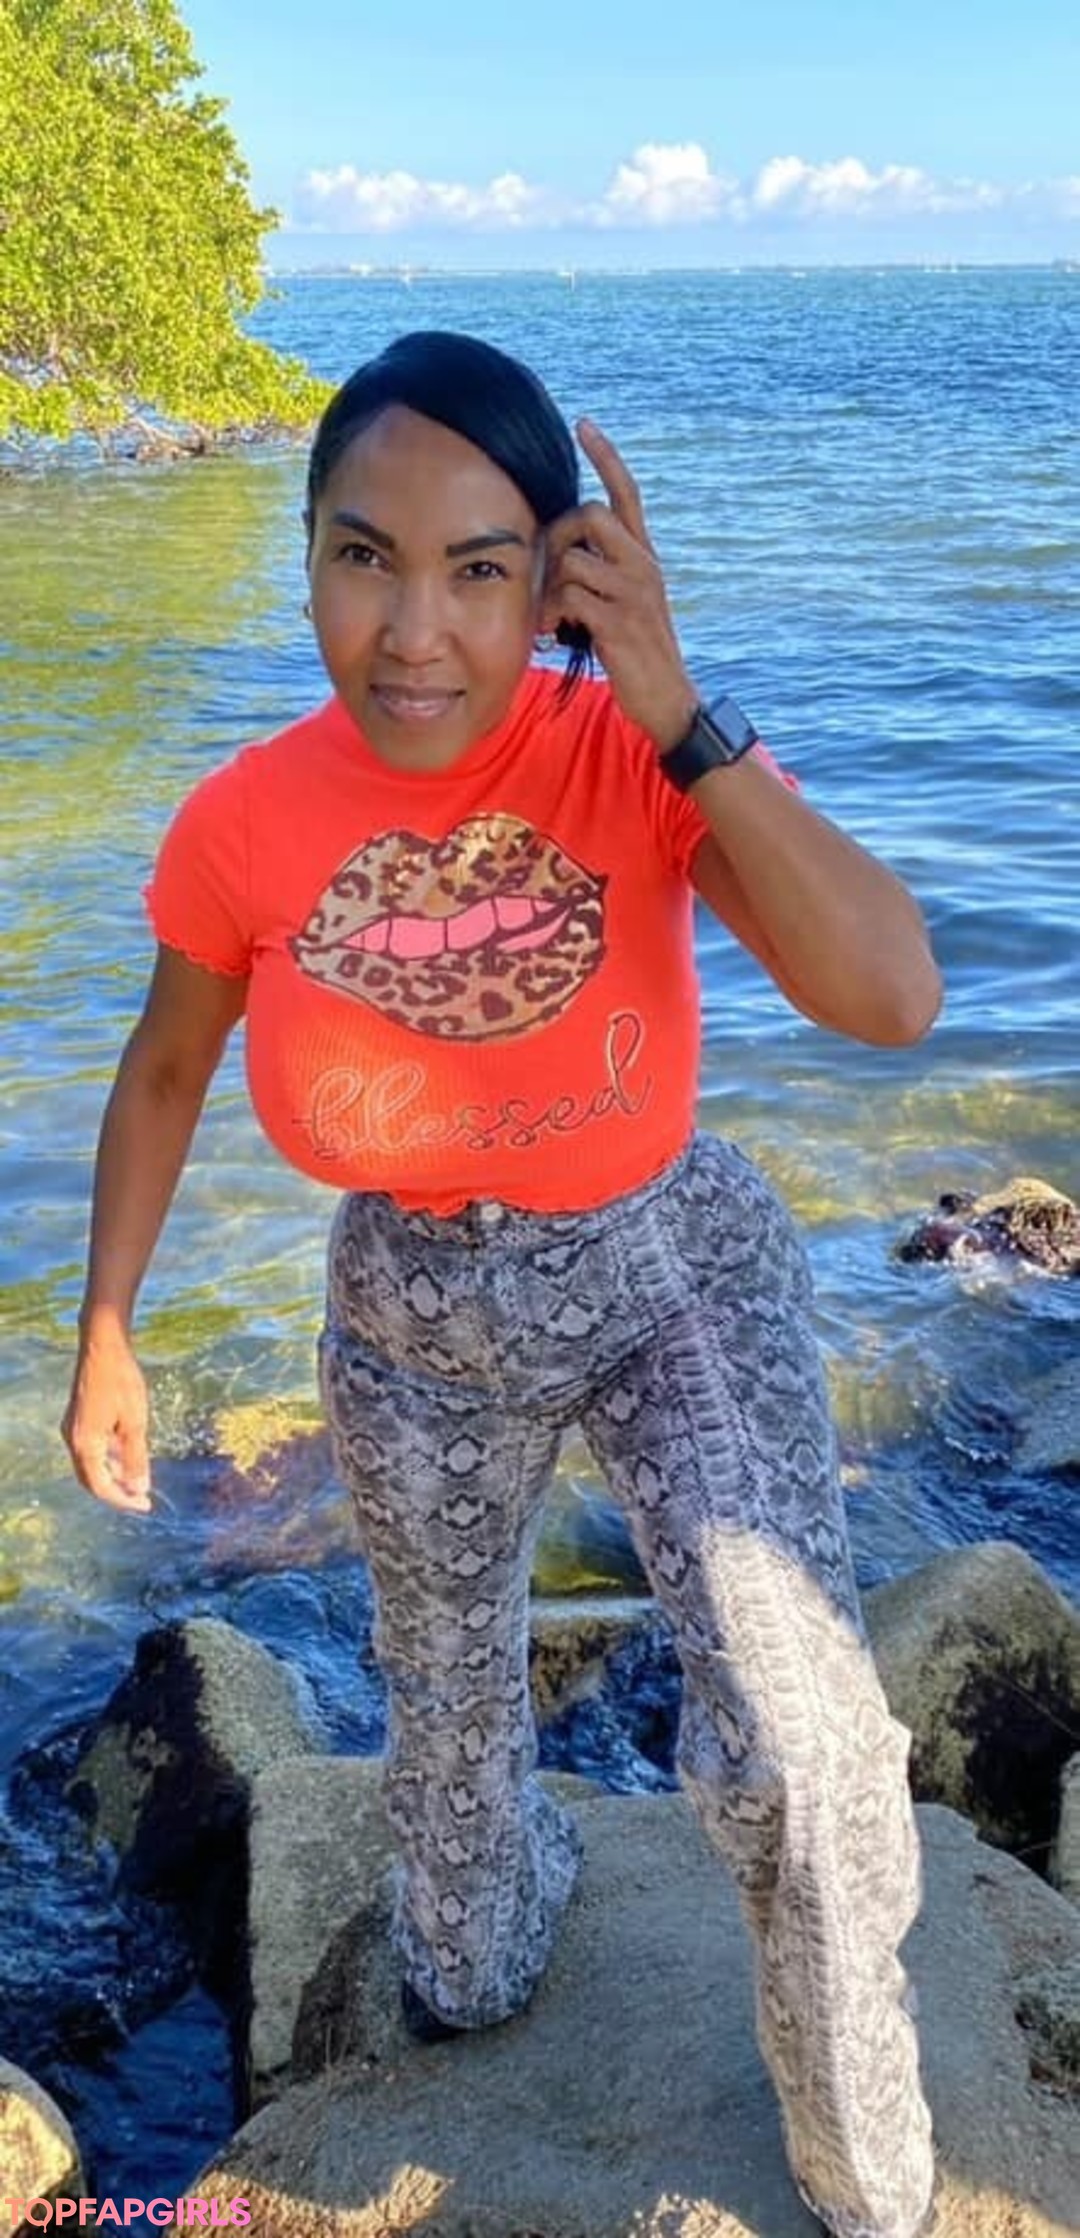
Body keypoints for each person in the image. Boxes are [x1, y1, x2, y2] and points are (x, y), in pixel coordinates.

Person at [62, 330, 941, 2238]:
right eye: (363, 557)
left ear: (557, 582)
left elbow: (892, 993)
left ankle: (865, 2154)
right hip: (413, 1315)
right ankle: (504, 1877)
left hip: (664, 1262)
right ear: (307, 551)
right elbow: (164, 1065)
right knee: (457, 1914)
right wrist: (108, 1328)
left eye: (478, 569)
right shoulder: (243, 823)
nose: (413, 632)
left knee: (797, 1737)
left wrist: (678, 699)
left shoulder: (635, 752)